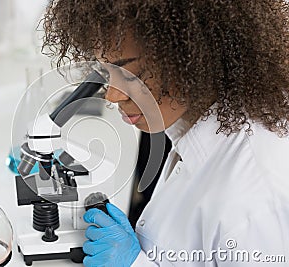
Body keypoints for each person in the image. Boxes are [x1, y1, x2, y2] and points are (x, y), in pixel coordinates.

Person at [42, 1, 289, 266]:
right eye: (106, 72)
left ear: (195, 54)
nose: (112, 96)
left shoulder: (255, 204)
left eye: (131, 74)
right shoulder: (198, 127)